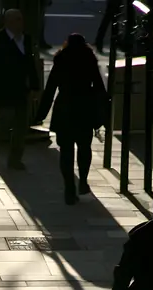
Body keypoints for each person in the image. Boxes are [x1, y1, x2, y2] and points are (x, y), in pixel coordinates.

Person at [35, 33, 108, 204]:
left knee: (66, 151)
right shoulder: (89, 60)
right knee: (84, 147)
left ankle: (69, 187)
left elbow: (50, 88)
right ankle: (82, 180)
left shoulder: (61, 59)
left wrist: (41, 114)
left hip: (65, 109)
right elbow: (99, 87)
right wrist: (103, 114)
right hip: (84, 108)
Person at [0, 8, 40, 171]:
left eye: (21, 19)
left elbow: (30, 65)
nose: (20, 23)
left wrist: (35, 86)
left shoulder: (26, 40)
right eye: (16, 19)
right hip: (3, 89)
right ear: (7, 22)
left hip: (22, 89)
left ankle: (15, 159)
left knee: (21, 125)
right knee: (4, 119)